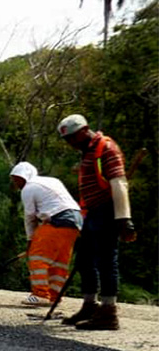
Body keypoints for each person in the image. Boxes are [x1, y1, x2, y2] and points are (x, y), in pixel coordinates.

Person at [57, 114, 136, 330]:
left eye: (73, 137)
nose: (71, 143)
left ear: (85, 130)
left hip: (107, 210)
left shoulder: (105, 148)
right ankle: (89, 305)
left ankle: (109, 312)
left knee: (106, 260)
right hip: (91, 213)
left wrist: (123, 219)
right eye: (67, 140)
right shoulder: (86, 153)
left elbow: (119, 182)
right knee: (84, 260)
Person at [9, 162, 82, 306]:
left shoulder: (28, 188)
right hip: (76, 221)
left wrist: (30, 241)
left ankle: (40, 294)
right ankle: (54, 297)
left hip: (58, 220)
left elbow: (30, 217)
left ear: (25, 177)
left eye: (17, 179)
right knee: (58, 262)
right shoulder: (52, 181)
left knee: (36, 257)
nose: (15, 183)